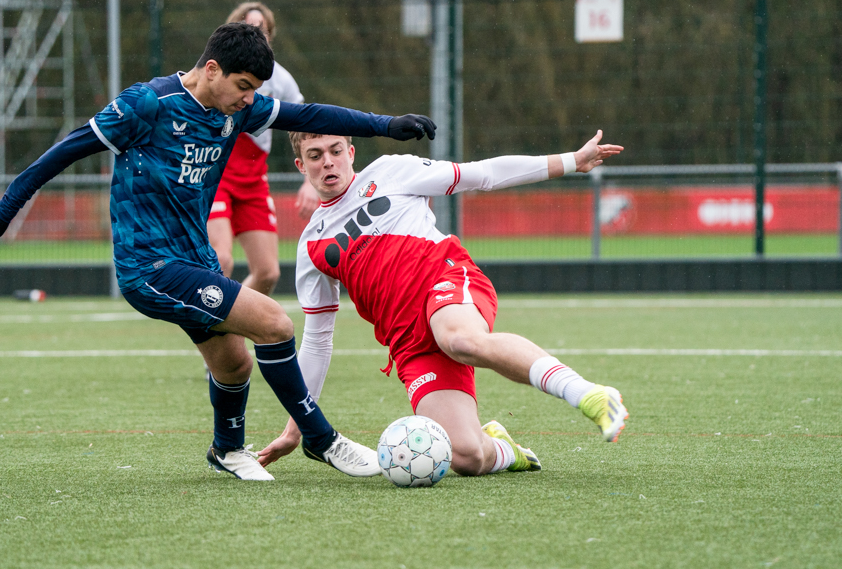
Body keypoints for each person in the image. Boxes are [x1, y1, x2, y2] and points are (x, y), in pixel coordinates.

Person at [0, 22, 436, 481]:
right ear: (212, 70)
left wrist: (386, 125)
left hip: (196, 260)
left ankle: (227, 450)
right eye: (243, 86)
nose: (249, 98)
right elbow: (66, 151)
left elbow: (309, 115)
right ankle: (321, 438)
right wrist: (4, 211)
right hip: (148, 266)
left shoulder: (237, 111)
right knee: (274, 323)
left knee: (234, 363)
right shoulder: (147, 105)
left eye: (255, 90)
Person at [257, 130, 628, 477]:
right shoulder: (311, 246)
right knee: (467, 457)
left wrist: (572, 161)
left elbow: (484, 174)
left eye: (336, 151)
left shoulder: (391, 171)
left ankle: (588, 394)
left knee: (459, 339)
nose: (328, 162)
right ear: (301, 165)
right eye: (315, 155)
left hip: (445, 280)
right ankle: (504, 448)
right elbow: (317, 341)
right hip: (408, 341)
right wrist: (296, 428)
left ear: (351, 152)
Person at [208, 1, 317, 295]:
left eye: (263, 30)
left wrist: (310, 181)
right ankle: (211, 320)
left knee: (268, 272)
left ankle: (234, 315)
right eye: (250, 27)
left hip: (253, 179)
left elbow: (305, 125)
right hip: (216, 176)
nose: (257, 34)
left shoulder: (280, 79)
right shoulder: (217, 72)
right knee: (221, 260)